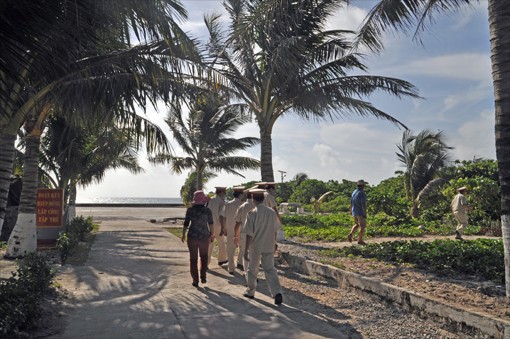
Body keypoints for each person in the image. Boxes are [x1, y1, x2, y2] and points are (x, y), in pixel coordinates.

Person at [243, 188, 283, 305]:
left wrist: (245, 250)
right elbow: (275, 230)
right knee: (270, 269)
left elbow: (249, 234)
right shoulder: (271, 212)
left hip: (256, 246)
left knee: (253, 269)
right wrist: (274, 242)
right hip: (269, 244)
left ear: (253, 199)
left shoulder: (252, 213)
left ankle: (250, 291)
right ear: (263, 198)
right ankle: (277, 293)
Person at [182, 190, 214, 288]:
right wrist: (212, 234)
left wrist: (183, 234)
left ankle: (195, 280)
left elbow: (186, 223)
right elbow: (211, 224)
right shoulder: (207, 210)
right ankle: (203, 276)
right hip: (204, 236)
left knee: (193, 259)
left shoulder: (190, 210)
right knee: (204, 257)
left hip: (192, 236)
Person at [224, 186, 245, 274]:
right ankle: (240, 261)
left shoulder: (228, 204)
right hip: (242, 229)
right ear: (241, 194)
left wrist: (224, 228)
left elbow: (223, 217)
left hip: (230, 228)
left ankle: (231, 268)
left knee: (230, 249)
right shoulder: (244, 204)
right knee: (243, 247)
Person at [234, 189, 256, 272]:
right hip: (257, 232)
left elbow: (237, 222)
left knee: (244, 251)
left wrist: (235, 235)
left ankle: (247, 272)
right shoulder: (259, 206)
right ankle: (252, 272)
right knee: (255, 253)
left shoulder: (242, 206)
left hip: (245, 232)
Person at [207, 186, 227, 266]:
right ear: (222, 192)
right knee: (221, 243)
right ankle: (221, 259)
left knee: (210, 244)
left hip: (210, 224)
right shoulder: (221, 201)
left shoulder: (211, 199)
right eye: (224, 192)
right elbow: (221, 215)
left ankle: (206, 263)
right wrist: (223, 227)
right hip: (218, 225)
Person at [347, 179, 368, 245]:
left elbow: (351, 202)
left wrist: (351, 211)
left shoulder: (354, 192)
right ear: (363, 185)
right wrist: (365, 213)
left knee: (357, 224)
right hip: (360, 212)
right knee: (362, 226)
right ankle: (360, 240)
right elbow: (363, 204)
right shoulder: (362, 193)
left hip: (354, 211)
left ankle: (351, 234)